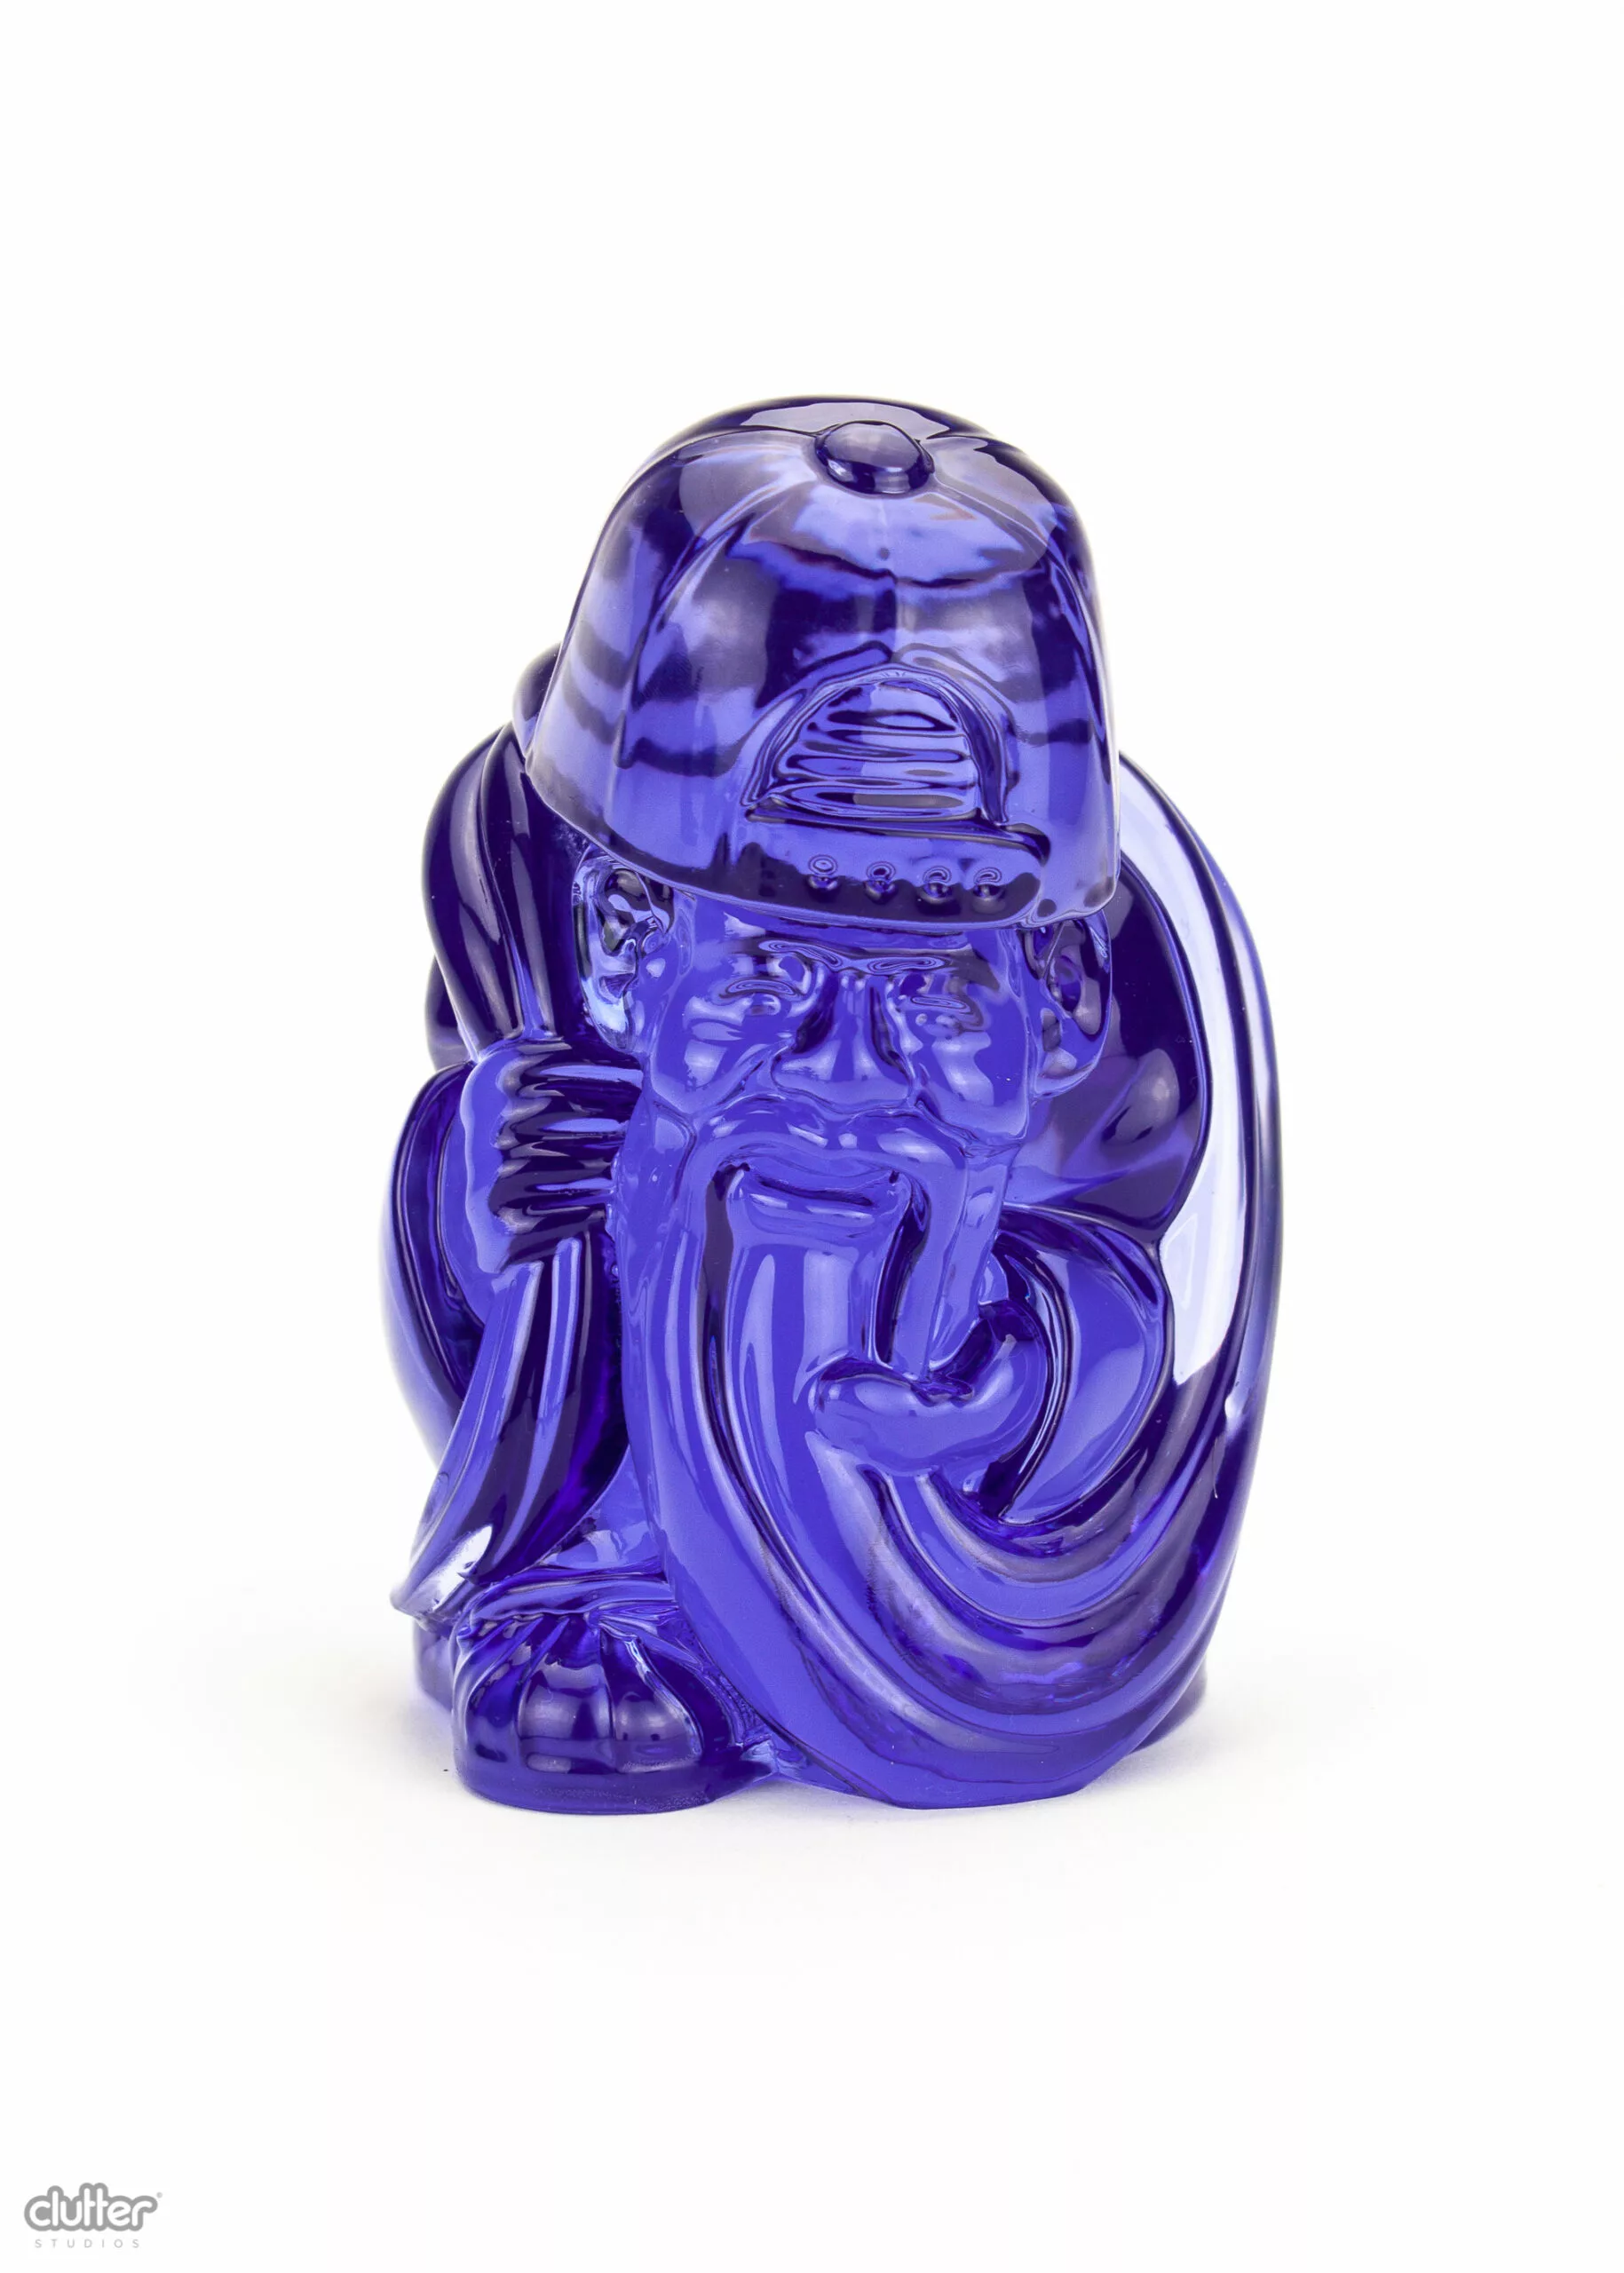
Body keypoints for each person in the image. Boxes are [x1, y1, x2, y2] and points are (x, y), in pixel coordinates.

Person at [384, 400, 1280, 1810]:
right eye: (773, 974)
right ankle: (615, 1592)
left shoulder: (1108, 1087)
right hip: (648, 1501)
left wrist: (1027, 1381)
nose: (848, 1079)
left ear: (1058, 994)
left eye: (930, 996)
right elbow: (480, 1303)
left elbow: (1122, 1273)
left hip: (973, 1583)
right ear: (623, 944)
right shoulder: (574, 1071)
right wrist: (478, 1200)